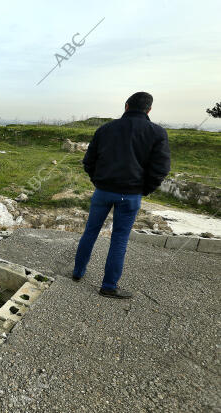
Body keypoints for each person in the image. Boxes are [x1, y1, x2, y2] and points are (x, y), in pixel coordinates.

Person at [72, 92, 171, 299]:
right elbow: (160, 168)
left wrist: (99, 182)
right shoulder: (157, 132)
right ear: (149, 110)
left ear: (126, 106)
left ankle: (77, 273)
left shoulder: (105, 129)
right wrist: (144, 189)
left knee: (90, 231)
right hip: (131, 195)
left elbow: (88, 161)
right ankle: (108, 286)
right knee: (119, 239)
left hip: (103, 191)